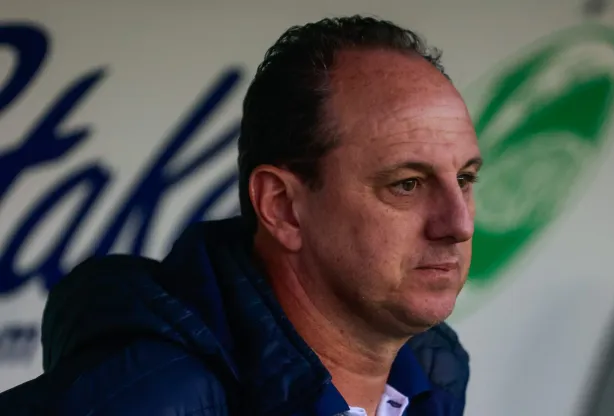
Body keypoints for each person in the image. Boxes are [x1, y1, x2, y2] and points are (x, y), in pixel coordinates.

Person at [0, 15, 481, 415]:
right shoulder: (150, 399)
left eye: (464, 179)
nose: (458, 224)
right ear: (282, 208)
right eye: (407, 184)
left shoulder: (435, 371)